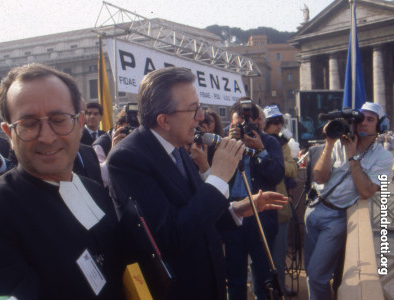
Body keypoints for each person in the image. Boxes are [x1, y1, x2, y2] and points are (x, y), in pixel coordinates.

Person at [107, 67, 287, 300]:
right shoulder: (127, 159)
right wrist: (218, 178)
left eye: (199, 107)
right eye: (193, 110)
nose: (201, 117)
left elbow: (197, 216)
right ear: (164, 120)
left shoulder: (177, 146)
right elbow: (172, 236)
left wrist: (238, 209)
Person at [0, 63, 123, 300]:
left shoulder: (93, 188)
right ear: (9, 133)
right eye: (29, 124)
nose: (47, 137)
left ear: (79, 122)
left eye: (58, 119)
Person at [305, 102, 393, 300]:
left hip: (337, 218)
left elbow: (365, 191)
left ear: (381, 126)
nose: (363, 124)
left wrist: (352, 156)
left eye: (370, 120)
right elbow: (319, 177)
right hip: (314, 209)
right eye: (360, 119)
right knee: (310, 271)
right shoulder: (338, 144)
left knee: (317, 276)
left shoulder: (384, 158)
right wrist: (329, 143)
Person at [223, 99, 285, 300]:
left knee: (263, 279)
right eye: (237, 124)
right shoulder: (225, 143)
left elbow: (276, 175)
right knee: (235, 278)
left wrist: (260, 150)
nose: (243, 128)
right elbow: (217, 178)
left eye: (248, 122)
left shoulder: (269, 142)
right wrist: (229, 146)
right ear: (231, 125)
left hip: (261, 217)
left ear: (258, 122)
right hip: (234, 214)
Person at [263, 105, 298, 297]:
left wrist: (275, 162)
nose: (278, 126)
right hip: (260, 206)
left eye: (280, 122)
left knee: (279, 252)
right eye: (274, 122)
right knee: (259, 255)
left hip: (279, 206)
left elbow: (293, 169)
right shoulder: (257, 142)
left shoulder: (284, 144)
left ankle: (280, 289)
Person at [93, 108, 130, 187]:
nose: (133, 132)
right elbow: (99, 178)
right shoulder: (100, 146)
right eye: (129, 128)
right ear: (119, 127)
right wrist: (113, 153)